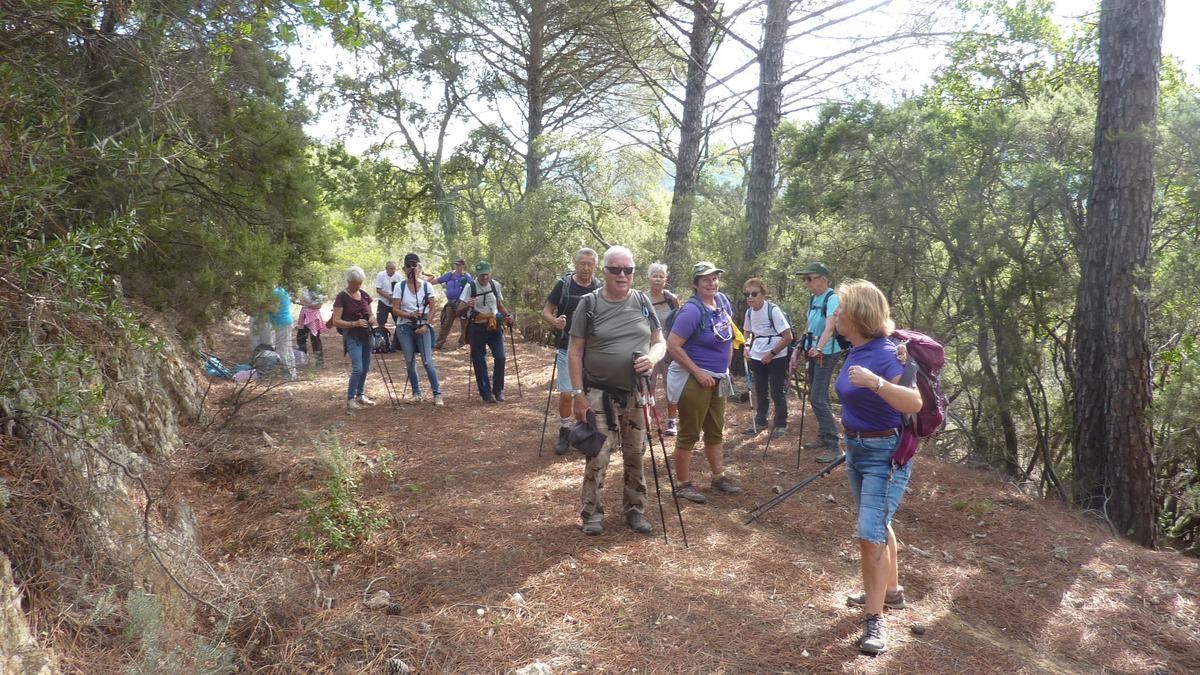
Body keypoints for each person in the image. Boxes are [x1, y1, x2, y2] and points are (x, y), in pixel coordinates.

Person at [832, 279, 922, 655]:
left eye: (840, 310)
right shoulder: (855, 348)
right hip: (856, 449)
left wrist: (878, 382)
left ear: (856, 316)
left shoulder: (888, 354)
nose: (834, 315)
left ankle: (875, 620)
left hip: (884, 454)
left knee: (868, 535)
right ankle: (891, 592)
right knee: (878, 524)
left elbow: (913, 402)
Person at [568, 245, 666, 535]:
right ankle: (591, 514)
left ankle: (635, 510)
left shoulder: (643, 301)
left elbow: (660, 340)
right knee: (598, 454)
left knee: (636, 453)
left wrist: (653, 357)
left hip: (637, 393)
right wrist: (577, 395)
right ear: (605, 272)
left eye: (628, 270)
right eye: (616, 270)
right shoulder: (588, 304)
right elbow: (575, 352)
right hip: (599, 393)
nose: (623, 275)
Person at [665, 261, 743, 503]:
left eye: (715, 278)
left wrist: (726, 366)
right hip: (695, 380)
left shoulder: (721, 302)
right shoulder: (691, 310)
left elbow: (728, 335)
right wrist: (698, 372)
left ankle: (718, 476)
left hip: (718, 378)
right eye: (706, 279)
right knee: (689, 433)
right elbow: (673, 345)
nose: (712, 283)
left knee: (715, 430)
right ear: (696, 283)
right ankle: (682, 484)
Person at [542, 248, 601, 454]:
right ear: (576, 264)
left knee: (590, 393)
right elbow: (546, 311)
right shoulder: (564, 285)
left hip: (592, 350)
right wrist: (555, 322)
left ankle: (584, 431)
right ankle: (565, 430)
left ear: (595, 265)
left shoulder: (599, 287)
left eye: (590, 264)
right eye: (582, 263)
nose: (586, 268)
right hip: (566, 346)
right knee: (568, 393)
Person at [790, 262, 846, 463]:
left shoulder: (832, 298)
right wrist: (798, 348)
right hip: (812, 351)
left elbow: (830, 327)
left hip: (826, 353)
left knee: (817, 398)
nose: (806, 283)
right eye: (804, 279)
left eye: (809, 278)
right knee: (820, 396)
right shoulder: (813, 298)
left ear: (823, 278)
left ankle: (834, 446)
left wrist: (819, 348)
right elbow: (808, 326)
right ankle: (824, 436)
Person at [741, 277, 794, 438]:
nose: (750, 297)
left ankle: (780, 423)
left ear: (763, 294)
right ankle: (761, 420)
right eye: (747, 294)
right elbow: (748, 332)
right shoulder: (749, 312)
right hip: (757, 354)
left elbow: (788, 336)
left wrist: (771, 354)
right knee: (761, 389)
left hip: (777, 355)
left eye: (754, 293)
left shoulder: (773, 311)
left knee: (777, 390)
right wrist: (746, 346)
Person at [392, 253, 444, 405]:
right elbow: (395, 309)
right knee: (409, 360)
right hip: (404, 327)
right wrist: (409, 315)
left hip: (423, 325)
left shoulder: (427, 286)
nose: (411, 268)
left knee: (427, 361)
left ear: (419, 267)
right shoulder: (399, 287)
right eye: (408, 265)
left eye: (414, 265)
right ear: (404, 268)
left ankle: (437, 394)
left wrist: (426, 325)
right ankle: (416, 393)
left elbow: (433, 308)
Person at [458, 261, 511, 402]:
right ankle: (486, 394)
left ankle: (498, 390)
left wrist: (507, 316)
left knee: (501, 357)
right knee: (479, 360)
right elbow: (458, 310)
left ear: (490, 273)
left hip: (494, 326)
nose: (484, 278)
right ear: (477, 275)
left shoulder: (495, 285)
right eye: (482, 276)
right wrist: (467, 305)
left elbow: (499, 305)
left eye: (487, 275)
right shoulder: (470, 287)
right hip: (477, 327)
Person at [332, 266, 376, 410]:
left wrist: (371, 319)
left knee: (365, 367)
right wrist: (354, 323)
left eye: (360, 283)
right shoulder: (341, 297)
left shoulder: (364, 295)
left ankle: (360, 394)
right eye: (355, 283)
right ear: (349, 282)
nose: (358, 286)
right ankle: (350, 398)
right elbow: (335, 321)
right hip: (352, 336)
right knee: (358, 367)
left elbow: (370, 314)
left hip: (366, 335)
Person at [645, 263, 680, 436]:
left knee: (670, 385)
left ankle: (672, 421)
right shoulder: (642, 298)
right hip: (649, 349)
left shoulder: (671, 299)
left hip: (669, 350)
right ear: (648, 278)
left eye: (661, 276)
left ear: (665, 279)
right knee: (647, 385)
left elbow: (678, 321)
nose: (658, 279)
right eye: (655, 275)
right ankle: (646, 419)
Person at [427, 259, 473, 350]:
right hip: (451, 303)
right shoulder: (450, 275)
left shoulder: (467, 276)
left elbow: (473, 287)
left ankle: (463, 341)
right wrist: (426, 284)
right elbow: (437, 281)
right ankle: (439, 344)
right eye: (456, 265)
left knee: (464, 323)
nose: (457, 267)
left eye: (459, 265)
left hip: (462, 303)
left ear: (463, 266)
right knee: (446, 323)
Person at [268, 286, 298, 381]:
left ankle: (288, 373)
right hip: (284, 322)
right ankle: (292, 373)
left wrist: (264, 306)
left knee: (281, 349)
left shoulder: (275, 293)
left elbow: (274, 309)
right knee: (287, 348)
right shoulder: (281, 290)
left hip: (281, 323)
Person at [295, 286, 326, 367]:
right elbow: (303, 301)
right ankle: (303, 358)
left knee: (315, 339)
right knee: (300, 338)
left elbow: (318, 305)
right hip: (305, 315)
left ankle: (319, 362)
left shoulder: (317, 289)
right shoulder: (305, 288)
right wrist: (298, 302)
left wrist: (305, 303)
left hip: (314, 317)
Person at [374, 261, 402, 330]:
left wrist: (395, 299)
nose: (393, 270)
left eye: (394, 269)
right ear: (386, 268)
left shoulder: (399, 276)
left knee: (399, 322)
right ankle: (382, 337)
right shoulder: (381, 275)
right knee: (381, 322)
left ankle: (397, 338)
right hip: (383, 302)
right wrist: (389, 297)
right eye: (391, 268)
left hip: (395, 303)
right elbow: (378, 289)